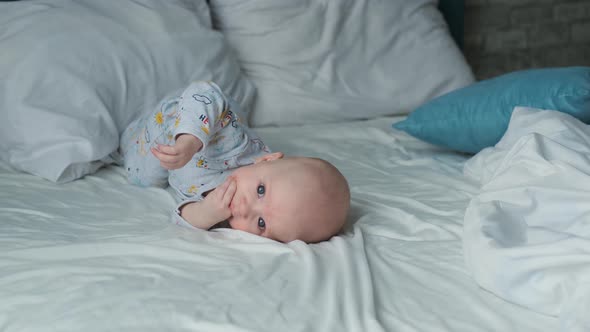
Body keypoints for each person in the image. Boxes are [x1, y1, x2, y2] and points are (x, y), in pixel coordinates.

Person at [119, 81, 350, 243]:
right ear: (266, 160)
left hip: (211, 138)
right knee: (142, 176)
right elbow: (203, 91)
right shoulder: (233, 145)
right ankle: (134, 130)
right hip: (184, 122)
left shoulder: (227, 218)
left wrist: (206, 212)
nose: (245, 208)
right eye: (260, 190)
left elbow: (182, 220)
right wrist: (189, 141)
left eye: (261, 224)